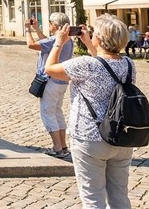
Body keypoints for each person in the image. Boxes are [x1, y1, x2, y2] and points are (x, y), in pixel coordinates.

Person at [45, 14, 134, 209]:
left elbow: (49, 69)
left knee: (93, 198)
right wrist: (88, 42)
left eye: (94, 34)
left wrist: (58, 42)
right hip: (121, 137)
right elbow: (104, 64)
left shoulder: (85, 64)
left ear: (100, 39)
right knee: (120, 197)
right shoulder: (128, 64)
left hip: (90, 137)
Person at [26, 13, 74, 158]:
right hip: (61, 82)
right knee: (57, 112)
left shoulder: (55, 40)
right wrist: (36, 29)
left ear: (56, 25)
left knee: (48, 113)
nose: (48, 25)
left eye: (50, 22)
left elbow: (31, 45)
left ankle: (57, 147)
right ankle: (63, 146)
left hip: (50, 81)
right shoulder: (67, 39)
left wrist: (27, 30)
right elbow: (46, 42)